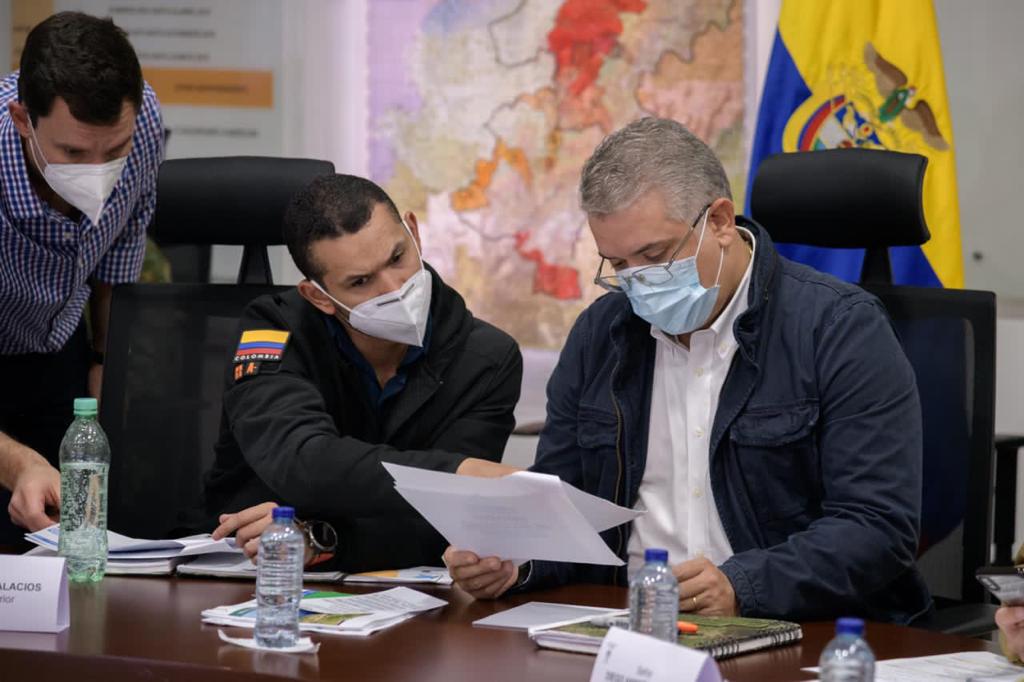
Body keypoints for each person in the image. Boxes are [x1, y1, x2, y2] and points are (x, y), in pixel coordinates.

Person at [445, 117, 932, 623]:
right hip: (627, 624)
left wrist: (743, 585)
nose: (638, 281)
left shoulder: (838, 327)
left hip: (795, 627)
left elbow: (876, 527)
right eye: (618, 263)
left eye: (655, 255)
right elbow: (566, 508)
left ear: (719, 221)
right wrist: (515, 563)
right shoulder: (600, 334)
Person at [205, 174, 522, 571]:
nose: (393, 288)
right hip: (251, 576)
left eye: (396, 258)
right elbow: (302, 461)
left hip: (407, 592)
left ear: (414, 232)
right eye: (360, 281)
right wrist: (458, 472)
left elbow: (449, 521)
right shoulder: (271, 330)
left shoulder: (489, 358)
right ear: (318, 296)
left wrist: (322, 538)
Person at [0, 12, 164, 541]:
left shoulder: (139, 126)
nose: (97, 169)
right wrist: (18, 465)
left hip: (60, 348)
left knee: (72, 542)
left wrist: (103, 362)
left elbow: (123, 241)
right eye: (73, 153)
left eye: (112, 152)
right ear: (23, 119)